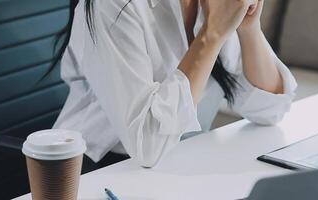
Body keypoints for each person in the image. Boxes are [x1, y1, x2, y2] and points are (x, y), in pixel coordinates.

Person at [52, 0, 297, 169]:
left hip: (181, 160)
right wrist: (211, 35)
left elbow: (269, 110)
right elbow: (146, 146)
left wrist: (248, 26)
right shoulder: (111, 5)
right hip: (100, 168)